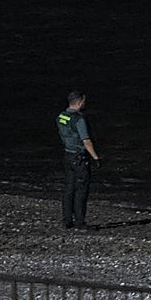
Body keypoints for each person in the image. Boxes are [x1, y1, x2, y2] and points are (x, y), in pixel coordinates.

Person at [56, 90, 99, 229]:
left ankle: (67, 219)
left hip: (68, 155)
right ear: (80, 102)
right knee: (81, 190)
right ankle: (80, 221)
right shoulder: (79, 119)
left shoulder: (62, 116)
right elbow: (86, 141)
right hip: (79, 157)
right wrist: (95, 157)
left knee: (69, 188)